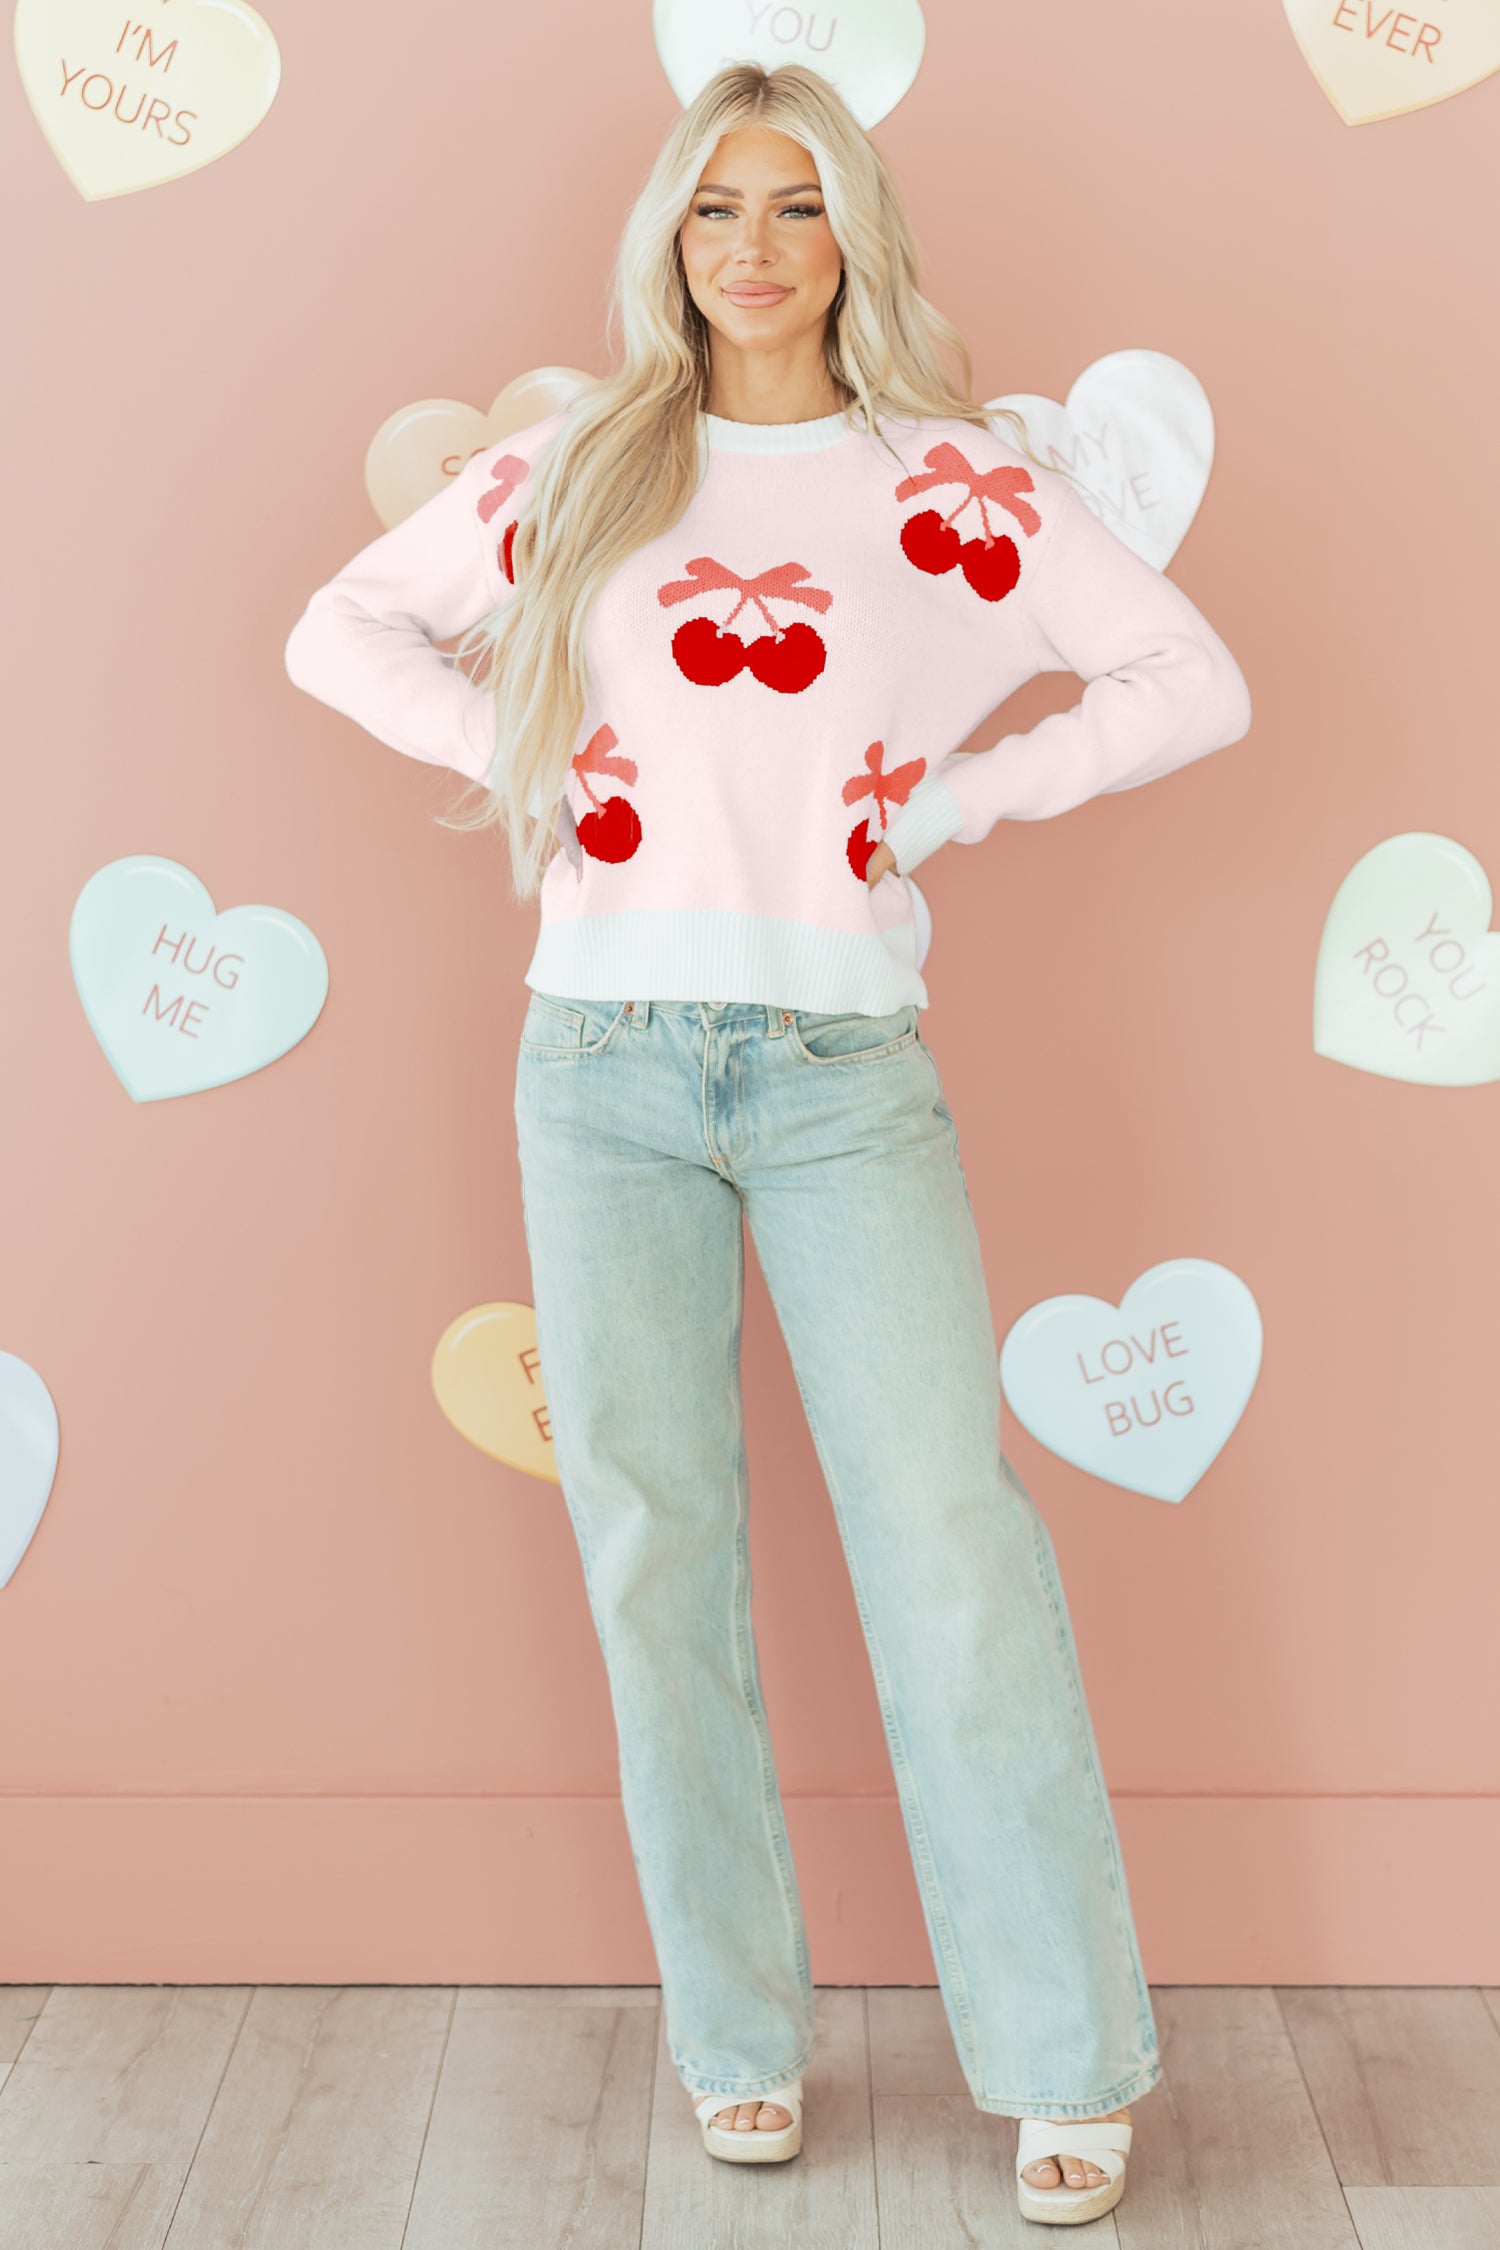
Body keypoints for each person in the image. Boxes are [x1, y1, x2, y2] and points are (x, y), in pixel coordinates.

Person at [284, 60, 1250, 2227]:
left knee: (952, 1552)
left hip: (838, 1077)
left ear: (852, 240)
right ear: (671, 237)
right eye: (715, 206)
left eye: (796, 204)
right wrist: (522, 760)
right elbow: (335, 628)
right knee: (659, 1559)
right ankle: (736, 2040)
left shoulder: (944, 482)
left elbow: (1189, 677)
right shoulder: (585, 466)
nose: (751, 246)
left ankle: (1063, 2056)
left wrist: (959, 798)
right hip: (597, 1067)